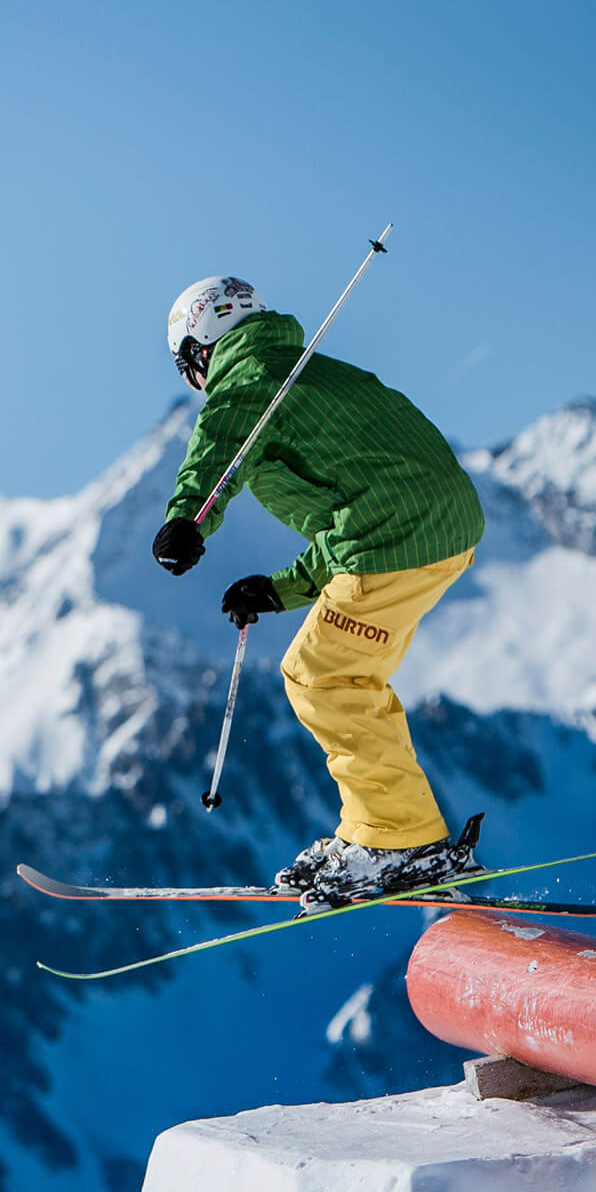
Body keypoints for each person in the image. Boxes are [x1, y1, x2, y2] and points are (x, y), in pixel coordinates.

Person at [151, 275, 486, 905]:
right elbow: (355, 508)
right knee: (350, 677)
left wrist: (187, 519)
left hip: (396, 533)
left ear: (200, 349)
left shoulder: (247, 377)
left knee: (322, 677)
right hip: (438, 528)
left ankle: (398, 839)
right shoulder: (305, 372)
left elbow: (220, 444)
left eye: (188, 370)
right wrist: (281, 589)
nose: (197, 386)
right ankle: (374, 830)